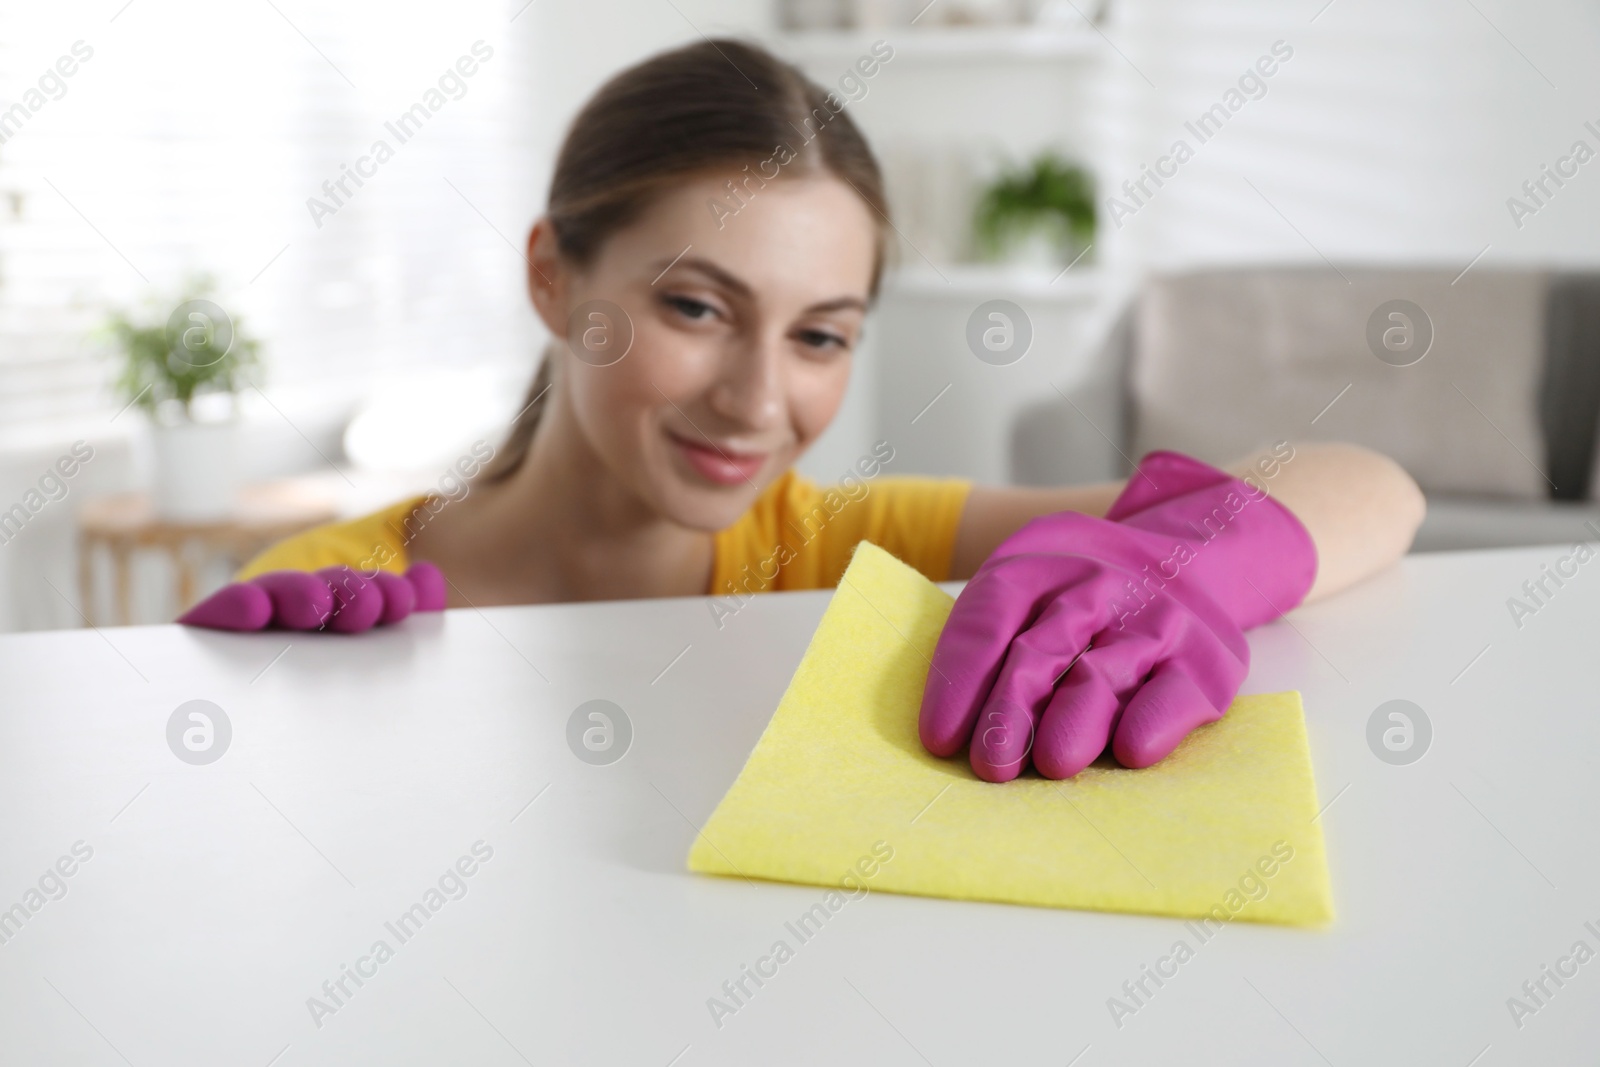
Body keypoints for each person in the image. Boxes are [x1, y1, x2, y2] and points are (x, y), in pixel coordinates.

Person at [184, 38, 1425, 781]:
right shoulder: (326, 592)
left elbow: (1374, 484)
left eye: (820, 334)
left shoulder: (838, 547)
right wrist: (267, 721)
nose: (758, 400)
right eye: (696, 308)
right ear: (554, 279)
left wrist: (1192, 565)